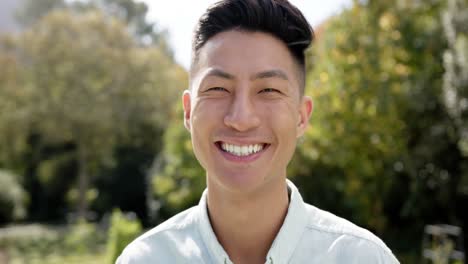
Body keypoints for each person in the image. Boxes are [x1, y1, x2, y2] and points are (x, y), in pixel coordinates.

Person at [117, 0, 400, 263]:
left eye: (268, 90)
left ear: (302, 117)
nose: (241, 119)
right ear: (188, 112)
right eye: (218, 89)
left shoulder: (362, 257)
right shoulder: (145, 259)